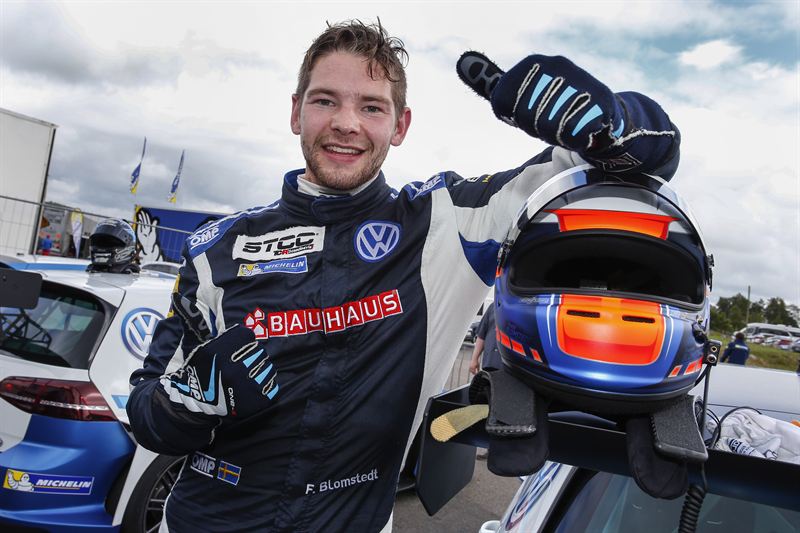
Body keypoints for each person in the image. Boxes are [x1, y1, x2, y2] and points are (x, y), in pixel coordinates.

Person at [126, 20, 681, 533]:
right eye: (325, 100)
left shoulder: (446, 223)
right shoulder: (216, 250)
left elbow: (630, 164)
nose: (346, 123)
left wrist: (614, 123)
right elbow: (146, 414)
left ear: (400, 125)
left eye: (371, 107)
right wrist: (190, 397)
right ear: (296, 113)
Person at [469, 304, 501, 375]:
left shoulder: (524, 307)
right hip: (490, 364)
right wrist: (474, 359)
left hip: (512, 367)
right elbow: (481, 335)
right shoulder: (493, 306)